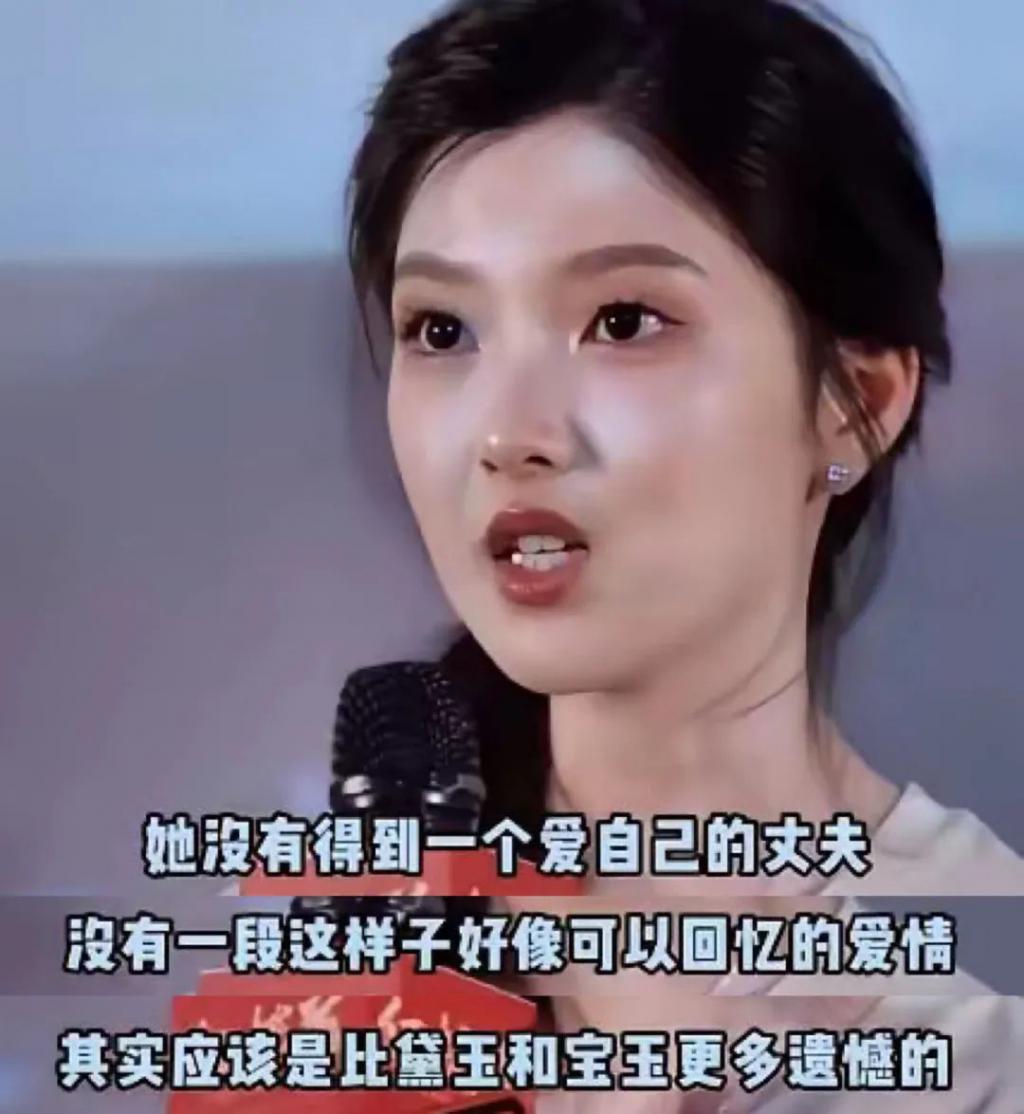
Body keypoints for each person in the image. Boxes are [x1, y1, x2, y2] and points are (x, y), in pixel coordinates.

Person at [339, 0, 1024, 1107]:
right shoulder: (375, 916)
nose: (507, 433)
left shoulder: (980, 1002)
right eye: (442, 330)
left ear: (856, 401)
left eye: (622, 321)